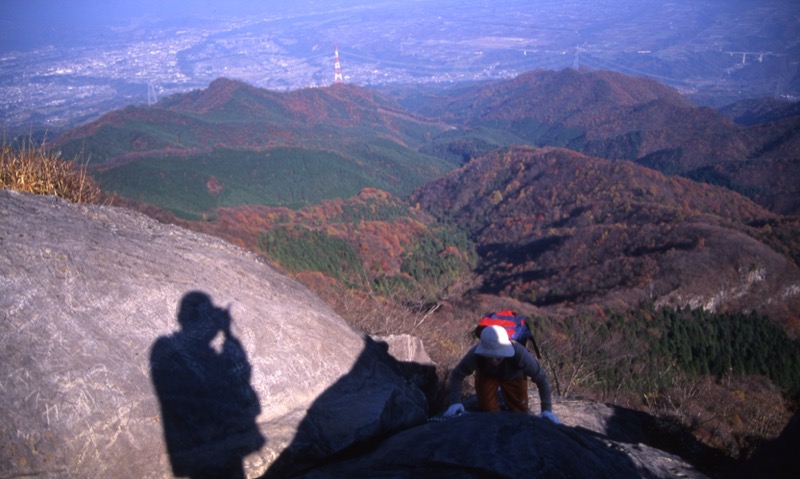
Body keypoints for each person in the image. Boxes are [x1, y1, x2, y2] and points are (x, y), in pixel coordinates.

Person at [445, 325, 560, 424]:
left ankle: (503, 396)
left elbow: (541, 378)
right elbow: (457, 374)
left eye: (498, 357)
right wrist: (455, 403)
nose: (494, 360)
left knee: (519, 412)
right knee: (488, 412)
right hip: (487, 376)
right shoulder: (475, 355)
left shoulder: (519, 354)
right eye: (490, 356)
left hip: (514, 378)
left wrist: (546, 410)